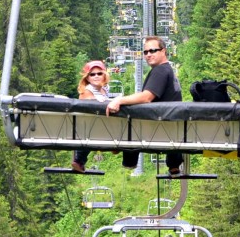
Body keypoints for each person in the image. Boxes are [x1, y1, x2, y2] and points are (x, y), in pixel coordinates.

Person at [105, 36, 185, 176]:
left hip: (158, 126)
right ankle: (173, 163)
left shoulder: (160, 71)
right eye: (146, 52)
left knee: (130, 116)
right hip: (172, 128)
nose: (148, 55)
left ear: (163, 51)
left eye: (153, 51)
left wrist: (119, 100)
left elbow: (147, 97)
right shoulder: (168, 70)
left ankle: (128, 158)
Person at [71, 60, 111, 173]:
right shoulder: (86, 91)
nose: (96, 76)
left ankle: (80, 160)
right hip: (88, 123)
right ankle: (79, 160)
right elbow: (90, 107)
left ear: (104, 75)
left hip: (99, 121)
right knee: (88, 135)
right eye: (92, 74)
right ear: (87, 78)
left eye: (99, 73)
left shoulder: (104, 89)